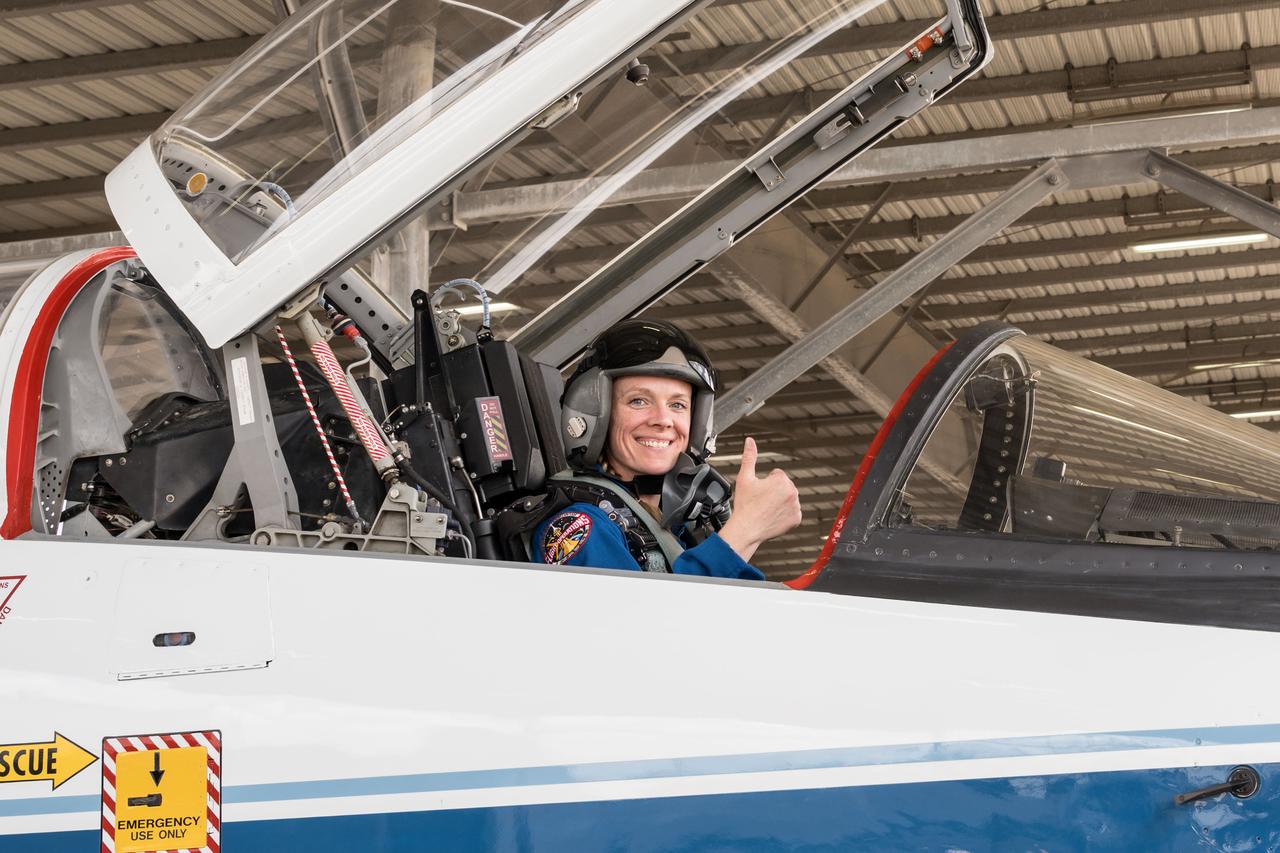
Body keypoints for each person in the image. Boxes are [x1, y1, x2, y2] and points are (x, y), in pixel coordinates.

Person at [533, 319, 802, 579]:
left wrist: (749, 533)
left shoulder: (676, 532)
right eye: (638, 401)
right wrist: (745, 530)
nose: (662, 419)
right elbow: (647, 622)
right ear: (595, 413)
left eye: (678, 405)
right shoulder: (579, 527)